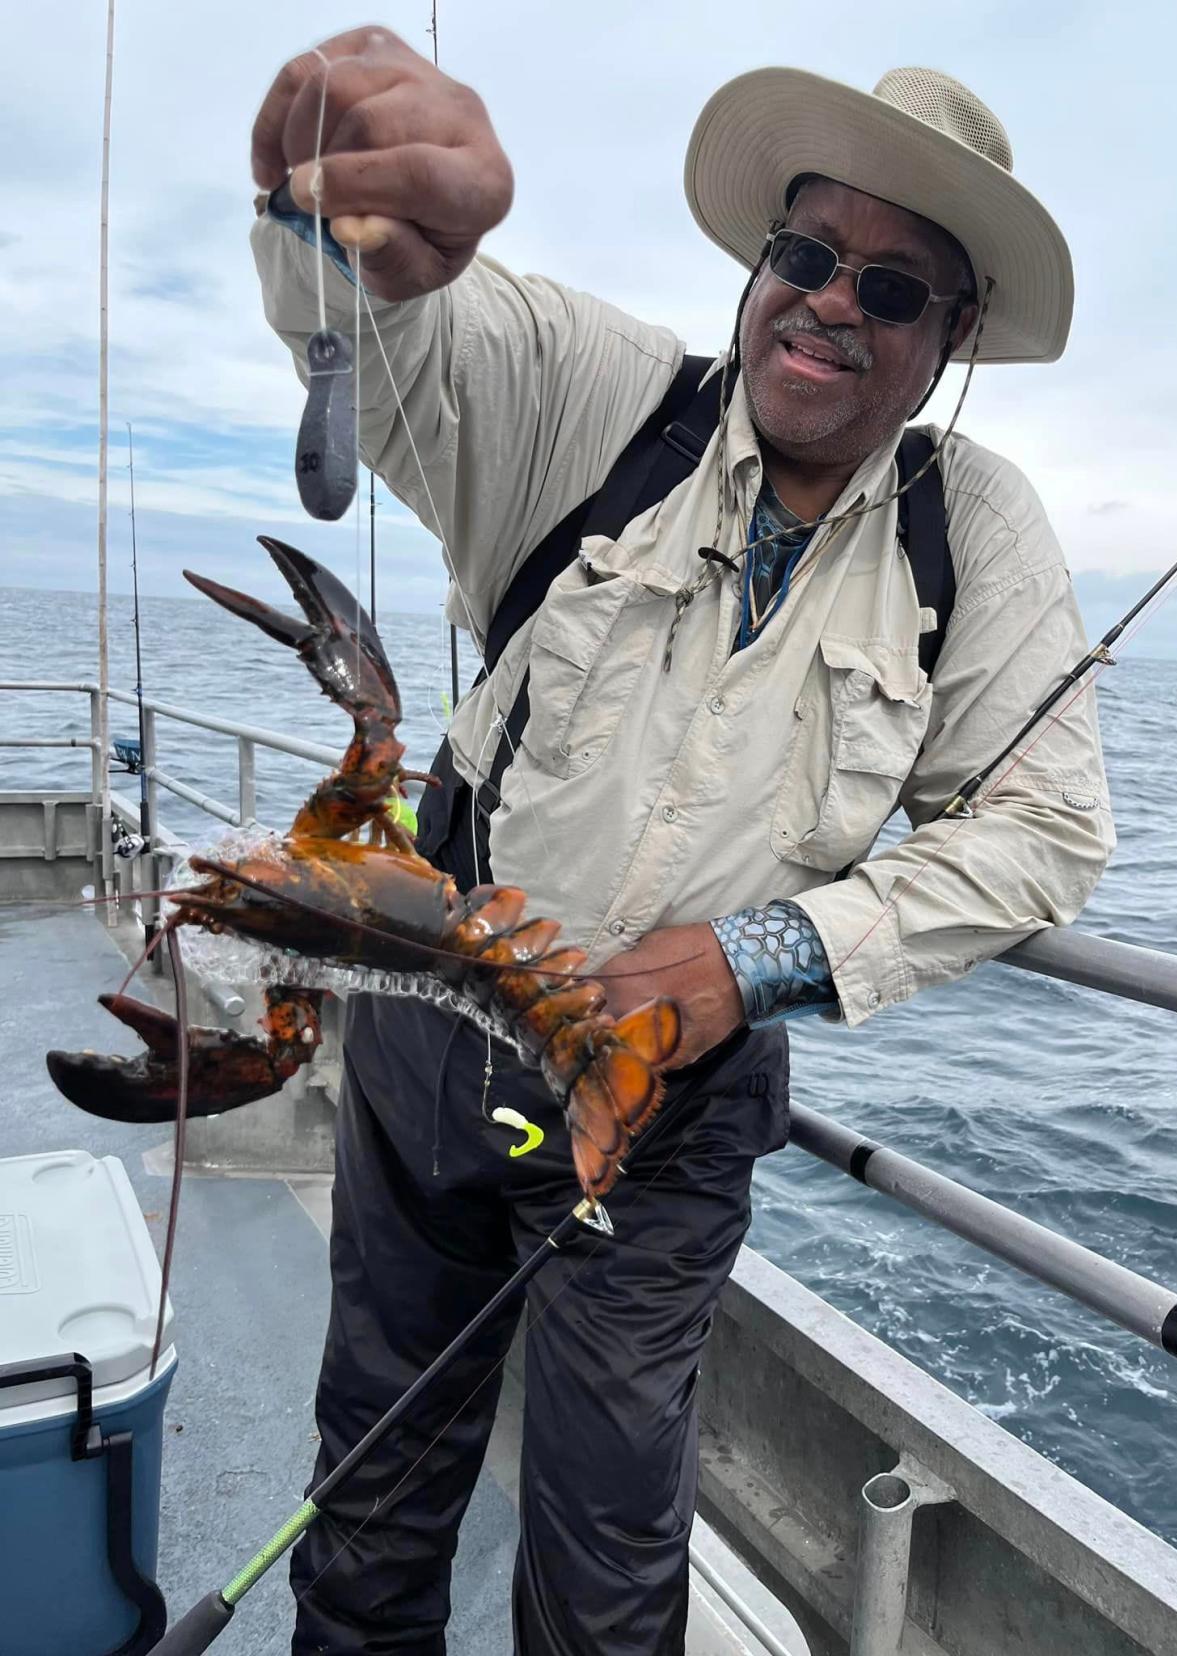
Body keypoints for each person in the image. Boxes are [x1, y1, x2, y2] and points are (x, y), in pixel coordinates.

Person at [249, 27, 1113, 1655]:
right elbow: (416, 334)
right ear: (756, 264)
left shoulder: (971, 529)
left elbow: (1048, 827)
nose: (833, 303)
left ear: (955, 336)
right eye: (806, 253)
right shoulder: (606, 400)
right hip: (437, 1034)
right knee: (372, 1477)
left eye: (894, 286)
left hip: (670, 1104)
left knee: (609, 1548)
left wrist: (758, 958)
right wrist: (353, 217)